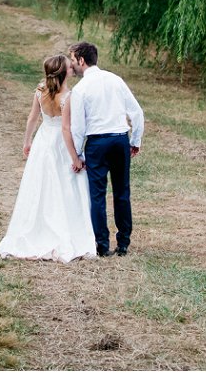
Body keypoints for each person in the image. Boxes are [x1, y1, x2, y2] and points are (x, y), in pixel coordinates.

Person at [0, 55, 97, 262]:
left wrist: (27, 141)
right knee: (66, 184)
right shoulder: (68, 97)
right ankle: (66, 230)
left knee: (40, 182)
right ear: (64, 72)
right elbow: (66, 129)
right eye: (69, 67)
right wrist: (75, 158)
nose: (72, 68)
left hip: (43, 140)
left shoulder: (40, 90)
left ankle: (40, 226)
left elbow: (32, 118)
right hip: (60, 143)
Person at [62, 41, 144, 257]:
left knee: (97, 195)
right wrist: (135, 141)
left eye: (73, 60)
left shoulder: (80, 89)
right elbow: (136, 112)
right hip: (119, 140)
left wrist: (78, 154)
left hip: (97, 144)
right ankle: (123, 242)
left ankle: (102, 244)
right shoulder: (115, 80)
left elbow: (78, 128)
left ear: (81, 60)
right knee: (122, 192)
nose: (72, 65)